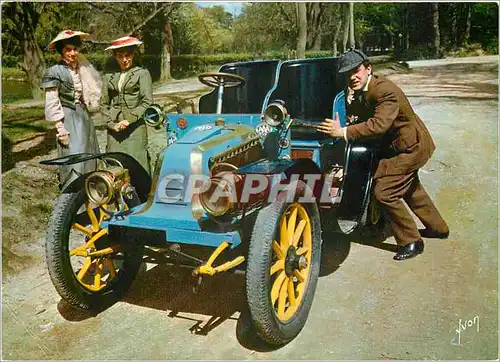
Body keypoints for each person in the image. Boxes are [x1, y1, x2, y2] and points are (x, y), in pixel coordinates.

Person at [317, 49, 449, 261]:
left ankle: (411, 241)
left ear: (368, 68)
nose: (352, 76)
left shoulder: (384, 91)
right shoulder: (362, 89)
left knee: (385, 192)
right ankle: (438, 228)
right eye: (347, 73)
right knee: (410, 188)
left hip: (411, 147)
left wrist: (342, 132)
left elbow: (378, 125)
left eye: (356, 70)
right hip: (399, 146)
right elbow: (363, 116)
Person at [41, 30, 102, 188]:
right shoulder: (55, 72)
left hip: (84, 116)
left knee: (90, 155)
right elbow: (52, 101)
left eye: (75, 49)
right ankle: (72, 199)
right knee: (74, 156)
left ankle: (91, 196)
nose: (73, 53)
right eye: (68, 49)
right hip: (68, 117)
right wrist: (60, 128)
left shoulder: (82, 68)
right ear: (62, 51)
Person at [100, 36, 152, 174]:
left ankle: (141, 194)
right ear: (115, 56)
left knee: (137, 164)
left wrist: (129, 120)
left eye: (128, 55)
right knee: (114, 163)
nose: (124, 60)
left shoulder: (142, 74)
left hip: (135, 128)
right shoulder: (109, 76)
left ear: (133, 54)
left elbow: (147, 102)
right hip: (114, 129)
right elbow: (103, 104)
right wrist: (111, 124)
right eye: (120, 56)